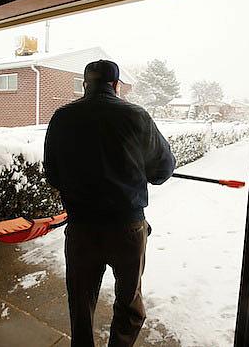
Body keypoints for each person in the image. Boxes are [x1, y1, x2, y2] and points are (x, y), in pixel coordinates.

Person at [43, 59, 176, 347]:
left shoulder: (62, 117)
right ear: (115, 85)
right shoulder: (136, 116)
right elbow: (162, 170)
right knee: (128, 302)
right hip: (127, 228)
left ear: (84, 84)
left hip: (81, 229)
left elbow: (52, 173)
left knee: (80, 300)